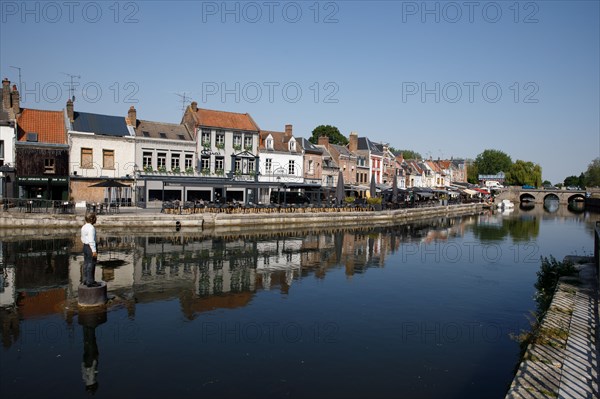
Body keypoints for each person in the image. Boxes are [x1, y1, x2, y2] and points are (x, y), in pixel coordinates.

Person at [81, 213, 99, 287]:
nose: (96, 219)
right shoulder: (91, 228)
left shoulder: (84, 226)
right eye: (95, 218)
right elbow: (91, 240)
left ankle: (85, 279)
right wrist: (94, 251)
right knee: (91, 264)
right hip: (90, 247)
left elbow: (82, 237)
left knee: (86, 263)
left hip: (85, 246)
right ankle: (90, 281)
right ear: (92, 219)